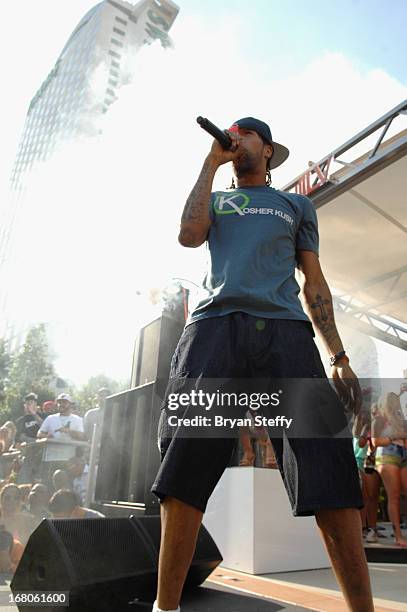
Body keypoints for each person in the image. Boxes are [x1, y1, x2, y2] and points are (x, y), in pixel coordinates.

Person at [150, 117, 373, 612]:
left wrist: (338, 355)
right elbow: (189, 235)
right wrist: (212, 162)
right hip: (213, 332)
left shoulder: (296, 205)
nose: (236, 138)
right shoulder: (216, 198)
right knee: (186, 461)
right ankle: (164, 608)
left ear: (268, 150)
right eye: (232, 133)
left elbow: (314, 281)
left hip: (287, 336)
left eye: (245, 133)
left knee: (329, 468)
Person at [372, 391, 407, 547]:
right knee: (393, 496)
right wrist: (394, 437)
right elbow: (375, 442)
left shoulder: (400, 419)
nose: (394, 403)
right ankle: (398, 536)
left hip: (403, 454)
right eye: (390, 400)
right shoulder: (379, 419)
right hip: (387, 454)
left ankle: (400, 534)